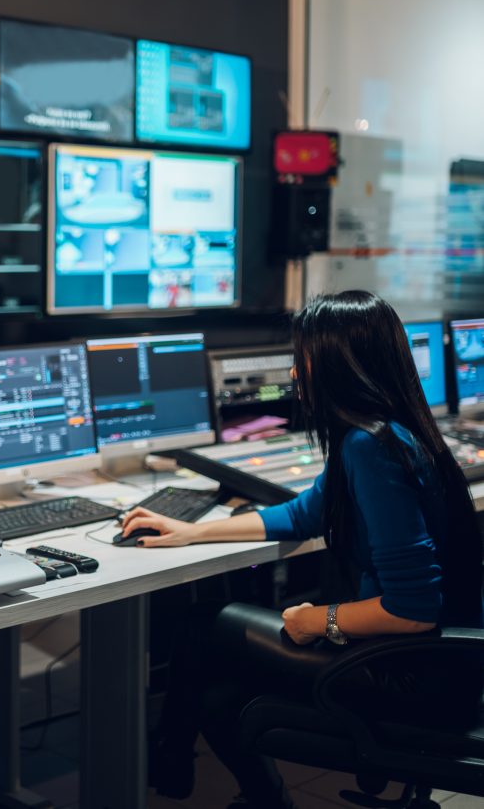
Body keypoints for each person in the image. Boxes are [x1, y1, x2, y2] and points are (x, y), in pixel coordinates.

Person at [119, 290, 484, 808]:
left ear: (340, 365)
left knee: (202, 629)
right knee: (216, 691)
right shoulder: (393, 433)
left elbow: (412, 611)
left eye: (303, 358)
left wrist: (318, 620)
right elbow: (302, 514)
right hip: (447, 666)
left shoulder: (369, 447)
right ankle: (197, 771)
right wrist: (188, 530)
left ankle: (174, 764)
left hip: (411, 672)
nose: (295, 373)